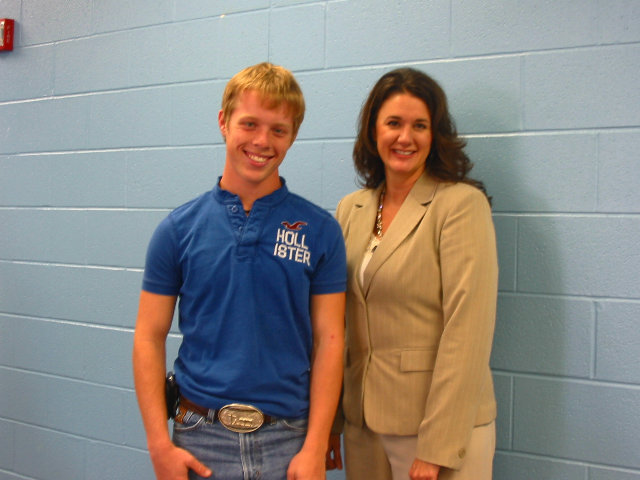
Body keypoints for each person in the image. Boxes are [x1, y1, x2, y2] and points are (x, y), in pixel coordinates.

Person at [133, 62, 346, 480]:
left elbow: (331, 340)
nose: (262, 141)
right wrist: (160, 444)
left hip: (290, 440)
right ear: (224, 122)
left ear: (293, 136)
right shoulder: (177, 230)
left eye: (278, 130)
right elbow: (148, 336)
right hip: (200, 437)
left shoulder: (321, 231)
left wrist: (316, 446)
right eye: (249, 124)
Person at [329, 68, 498, 480]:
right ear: (373, 132)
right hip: (363, 425)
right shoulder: (351, 209)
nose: (405, 137)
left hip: (435, 431)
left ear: (435, 134)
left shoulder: (460, 205)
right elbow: (338, 326)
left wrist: (437, 446)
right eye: (393, 123)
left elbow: (467, 331)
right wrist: (332, 424)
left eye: (419, 125)